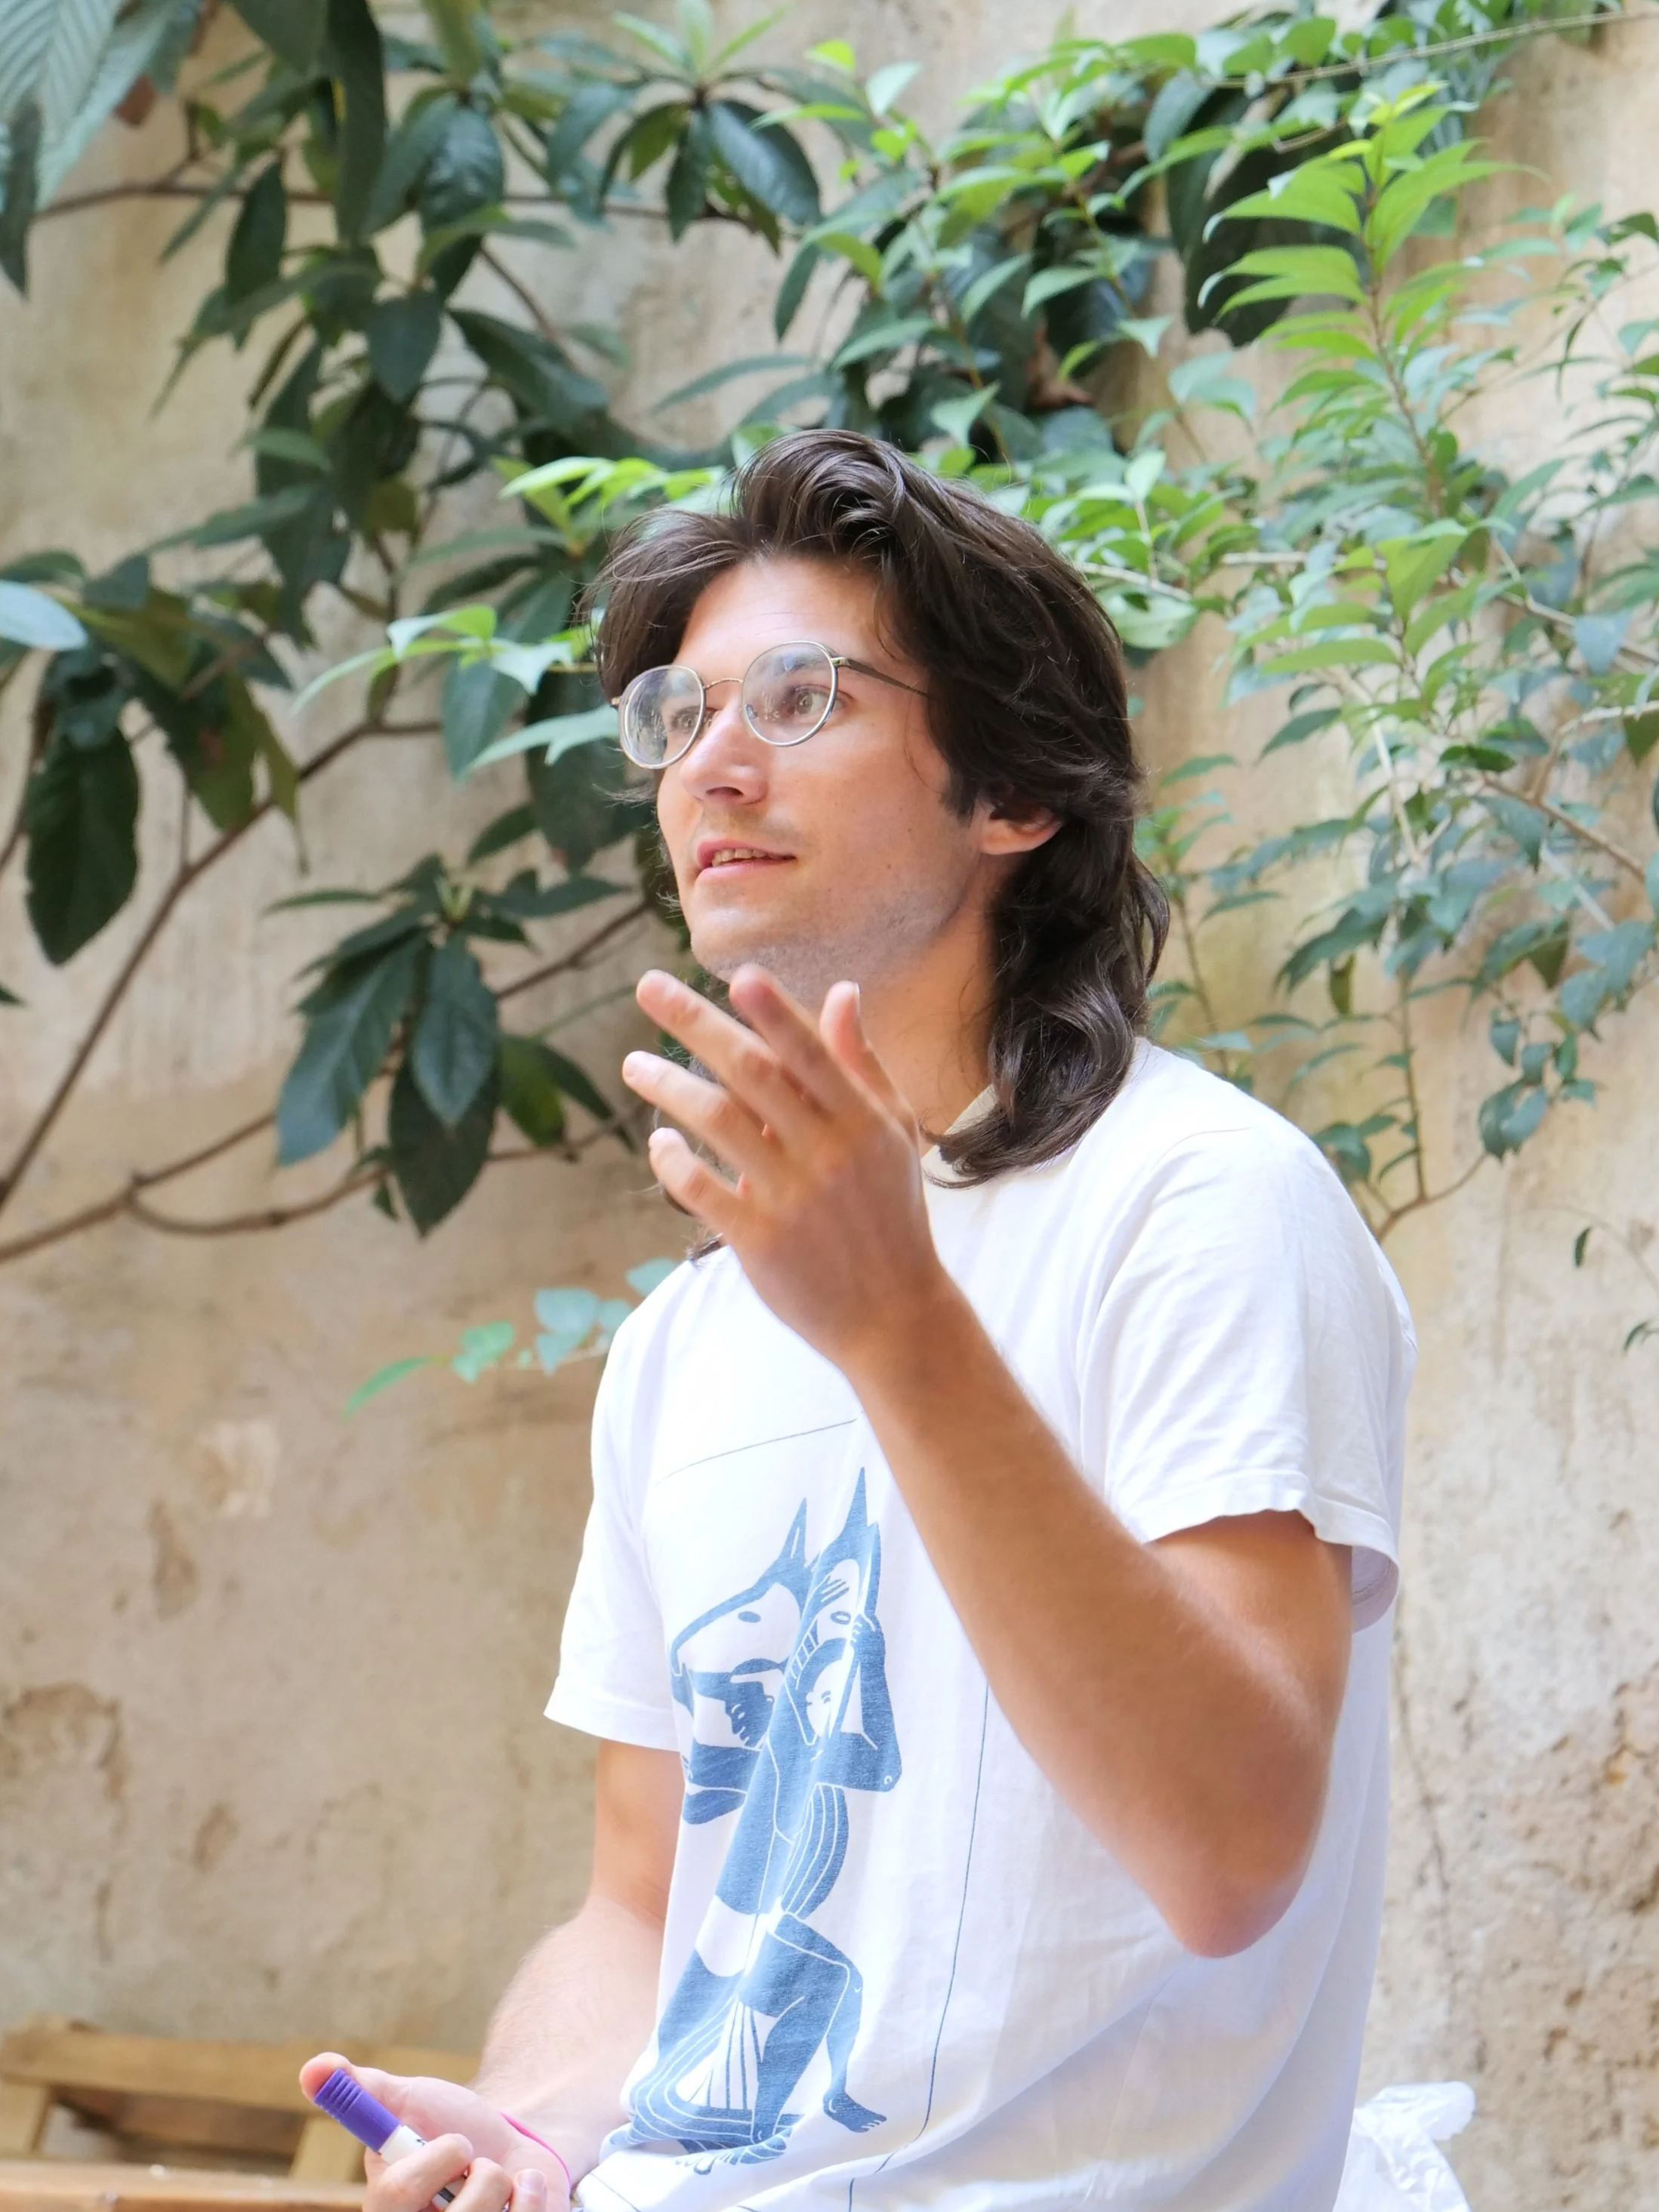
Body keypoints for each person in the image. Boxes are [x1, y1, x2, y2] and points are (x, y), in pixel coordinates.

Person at [302, 429, 1414, 2211]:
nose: (711, 761)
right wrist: (530, 2125)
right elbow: (645, 1904)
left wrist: (899, 1330)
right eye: (680, 715)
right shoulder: (688, 1337)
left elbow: (1230, 1849)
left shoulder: (1203, 1205)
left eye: (803, 696)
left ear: (1013, 796)